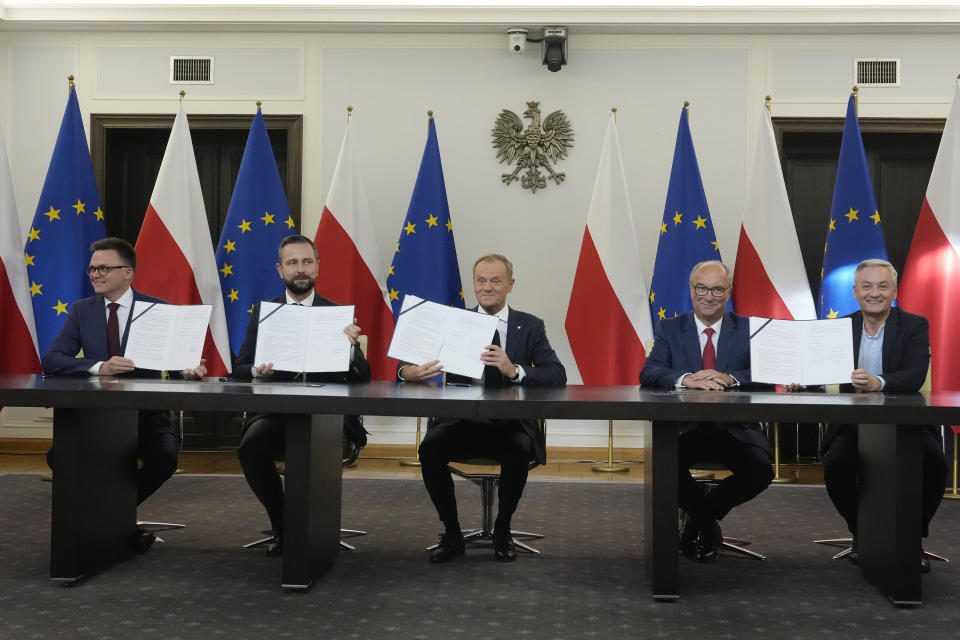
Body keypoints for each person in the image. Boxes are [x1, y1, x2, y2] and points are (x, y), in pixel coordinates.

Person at [41, 236, 207, 553]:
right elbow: (53, 359)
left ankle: (108, 515)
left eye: (104, 268)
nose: (95, 275)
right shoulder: (82, 311)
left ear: (127, 272)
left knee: (165, 458)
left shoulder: (159, 310)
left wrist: (187, 369)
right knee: (58, 456)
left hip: (146, 412)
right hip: (98, 415)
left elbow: (175, 367)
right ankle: (112, 519)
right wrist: (99, 366)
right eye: (91, 269)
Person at [398, 254, 566, 563]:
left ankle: (503, 529)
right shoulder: (453, 322)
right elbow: (404, 364)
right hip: (460, 422)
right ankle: (451, 533)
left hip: (510, 425)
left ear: (510, 285)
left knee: (517, 450)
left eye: (495, 281)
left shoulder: (529, 326)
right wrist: (407, 373)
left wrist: (515, 370)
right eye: (480, 280)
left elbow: (557, 374)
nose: (487, 287)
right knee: (430, 449)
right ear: (473, 284)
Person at [234, 234, 370, 557]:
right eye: (292, 263)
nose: (300, 269)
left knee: (311, 449)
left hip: (329, 418)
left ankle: (308, 528)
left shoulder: (338, 315)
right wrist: (257, 371)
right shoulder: (264, 314)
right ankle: (285, 527)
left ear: (318, 267)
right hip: (275, 416)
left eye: (307, 261)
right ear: (279, 269)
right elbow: (239, 369)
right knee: (251, 448)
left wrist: (353, 350)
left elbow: (364, 378)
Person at [639, 260, 773, 563]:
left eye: (717, 289)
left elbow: (767, 373)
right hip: (687, 427)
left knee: (761, 470)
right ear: (691, 290)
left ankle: (699, 521)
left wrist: (731, 378)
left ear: (728, 292)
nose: (709, 296)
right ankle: (705, 522)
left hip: (737, 428)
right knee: (664, 463)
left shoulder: (748, 328)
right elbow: (650, 372)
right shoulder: (671, 328)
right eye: (702, 288)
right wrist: (687, 378)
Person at [818, 258, 947, 573]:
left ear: (894, 290)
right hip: (852, 425)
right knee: (837, 465)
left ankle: (912, 538)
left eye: (882, 285)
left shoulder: (915, 325)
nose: (874, 293)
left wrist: (880, 383)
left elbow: (915, 375)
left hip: (905, 424)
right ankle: (862, 532)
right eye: (867, 286)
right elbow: (819, 372)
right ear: (855, 292)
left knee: (933, 463)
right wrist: (800, 379)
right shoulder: (837, 328)